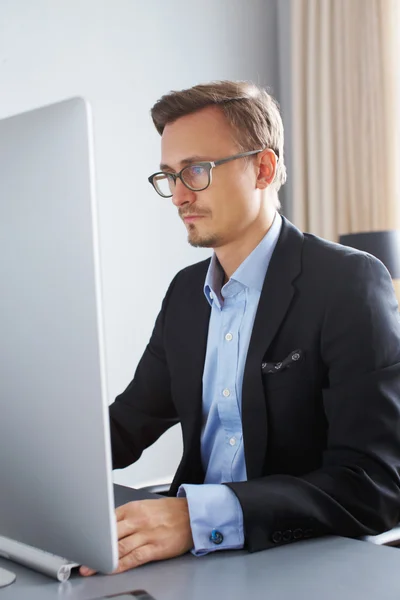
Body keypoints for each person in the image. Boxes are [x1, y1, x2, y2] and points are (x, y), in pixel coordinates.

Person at [80, 80, 400, 577]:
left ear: (264, 168)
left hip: (297, 566)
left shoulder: (347, 283)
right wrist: (30, 464)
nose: (179, 196)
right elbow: (127, 423)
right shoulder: (187, 295)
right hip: (193, 566)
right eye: (169, 176)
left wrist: (196, 518)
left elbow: (373, 484)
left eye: (197, 171)